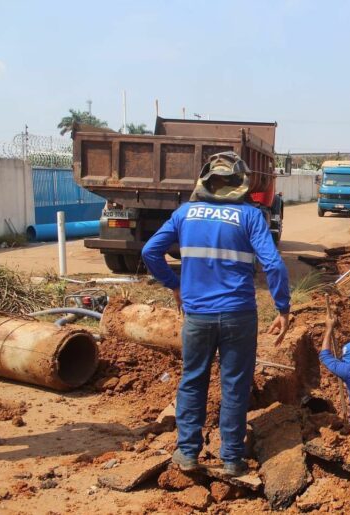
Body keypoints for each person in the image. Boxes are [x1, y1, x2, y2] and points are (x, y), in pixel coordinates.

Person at [142, 151, 291, 476]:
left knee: (193, 382)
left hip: (198, 317)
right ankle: (232, 459)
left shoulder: (185, 214)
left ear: (205, 181)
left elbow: (150, 251)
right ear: (241, 183)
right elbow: (274, 265)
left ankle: (186, 454)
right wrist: (282, 307)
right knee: (235, 385)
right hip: (239, 315)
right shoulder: (251, 216)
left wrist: (175, 285)